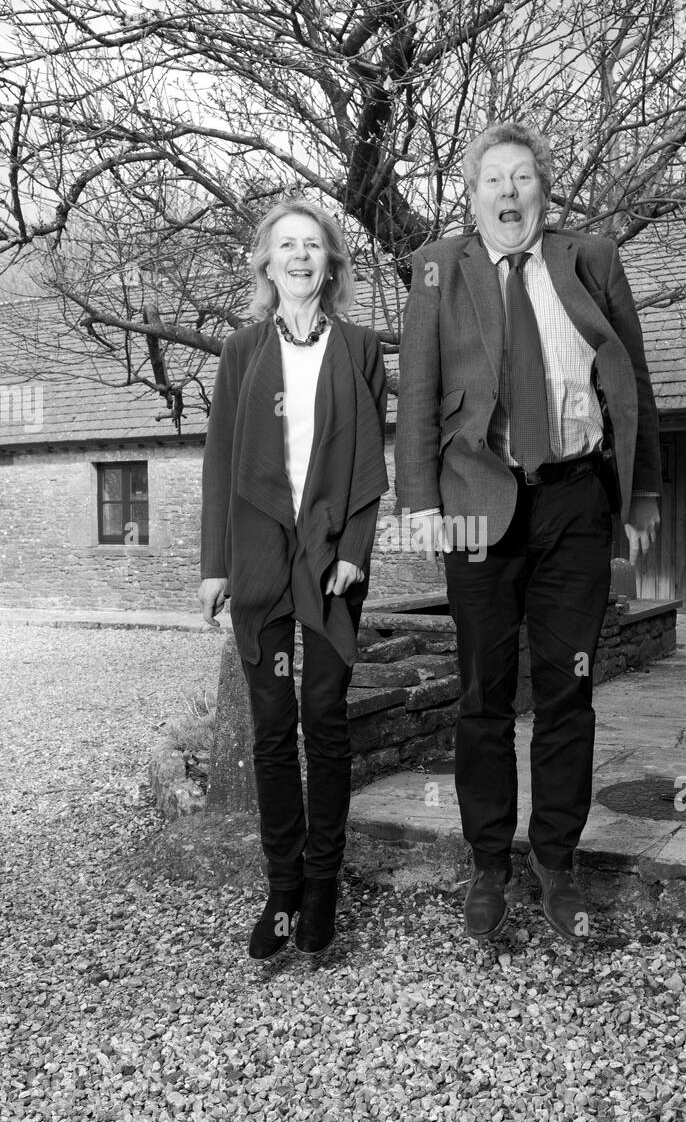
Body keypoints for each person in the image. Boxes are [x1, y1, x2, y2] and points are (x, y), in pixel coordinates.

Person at [396, 122, 661, 943]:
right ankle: (486, 864)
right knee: (481, 694)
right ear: (471, 198)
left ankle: (557, 865)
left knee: (566, 689)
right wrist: (419, 503)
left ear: (543, 189)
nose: (508, 194)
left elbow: (636, 383)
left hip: (575, 502)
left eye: (522, 179)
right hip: (478, 501)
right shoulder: (439, 271)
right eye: (492, 182)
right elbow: (417, 394)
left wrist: (642, 492)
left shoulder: (592, 258)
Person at [199, 199, 388, 960]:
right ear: (266, 263)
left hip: (332, 552)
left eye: (314, 245)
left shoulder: (361, 347)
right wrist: (214, 564)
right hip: (259, 550)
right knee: (273, 726)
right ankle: (282, 890)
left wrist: (358, 551)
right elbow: (218, 461)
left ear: (330, 261)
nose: (302, 256)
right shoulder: (242, 351)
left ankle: (323, 889)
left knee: (325, 718)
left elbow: (373, 464)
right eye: (288, 246)